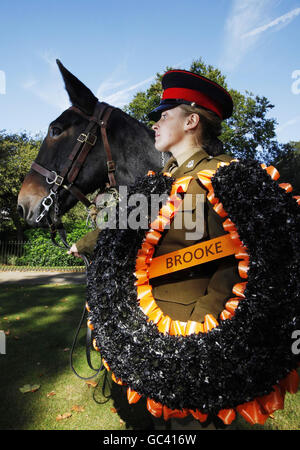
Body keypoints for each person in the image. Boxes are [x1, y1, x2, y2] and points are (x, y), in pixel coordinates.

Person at [68, 69, 241, 429]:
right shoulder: (164, 181)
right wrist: (83, 243)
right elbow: (126, 225)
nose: (156, 124)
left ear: (192, 121)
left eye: (165, 116)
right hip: (155, 331)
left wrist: (197, 338)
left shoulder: (224, 176)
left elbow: (235, 264)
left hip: (191, 336)